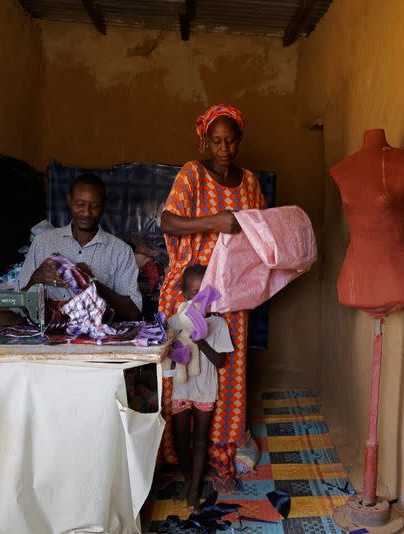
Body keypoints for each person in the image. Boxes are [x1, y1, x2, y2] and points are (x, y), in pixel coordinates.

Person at [159, 104, 266, 494]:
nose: (224, 148)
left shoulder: (251, 183)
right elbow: (168, 221)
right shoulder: (192, 173)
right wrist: (216, 222)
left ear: (240, 139)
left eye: (231, 140)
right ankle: (177, 455)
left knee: (226, 370)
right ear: (206, 139)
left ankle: (219, 450)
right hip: (189, 290)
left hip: (232, 292)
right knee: (181, 371)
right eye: (216, 141)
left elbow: (261, 235)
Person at [17, 174, 142, 321]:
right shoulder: (43, 242)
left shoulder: (121, 251)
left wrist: (92, 284)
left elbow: (134, 313)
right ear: (69, 200)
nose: (87, 213)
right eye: (80, 204)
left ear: (103, 205)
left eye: (94, 206)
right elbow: (16, 304)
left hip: (96, 339)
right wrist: (35, 278)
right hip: (46, 336)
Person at [170, 265, 233, 508]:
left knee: (199, 440)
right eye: (193, 293)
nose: (198, 299)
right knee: (180, 439)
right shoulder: (175, 320)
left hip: (205, 389)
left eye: (203, 293)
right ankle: (188, 479)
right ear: (183, 293)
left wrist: (202, 341)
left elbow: (221, 361)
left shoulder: (218, 324)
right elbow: (169, 355)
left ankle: (194, 490)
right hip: (182, 388)